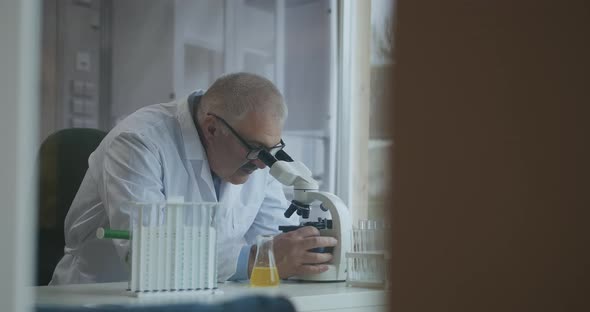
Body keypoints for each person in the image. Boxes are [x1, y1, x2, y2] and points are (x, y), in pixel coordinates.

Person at [50, 72, 337, 284]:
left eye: (271, 151)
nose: (264, 164)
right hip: (101, 296)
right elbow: (149, 257)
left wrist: (302, 252)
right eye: (256, 149)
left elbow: (273, 240)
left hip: (206, 296)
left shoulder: (255, 156)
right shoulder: (138, 142)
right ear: (212, 128)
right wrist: (256, 260)